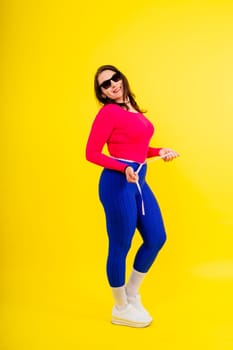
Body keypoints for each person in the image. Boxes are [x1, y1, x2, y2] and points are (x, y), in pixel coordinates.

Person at [85, 64, 179, 328]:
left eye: (115, 78)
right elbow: (91, 153)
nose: (113, 84)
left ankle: (132, 293)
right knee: (120, 245)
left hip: (139, 179)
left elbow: (137, 147)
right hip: (117, 183)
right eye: (106, 84)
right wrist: (123, 167)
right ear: (102, 93)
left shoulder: (133, 110)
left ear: (122, 78)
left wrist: (159, 151)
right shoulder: (108, 113)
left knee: (156, 237)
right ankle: (120, 308)